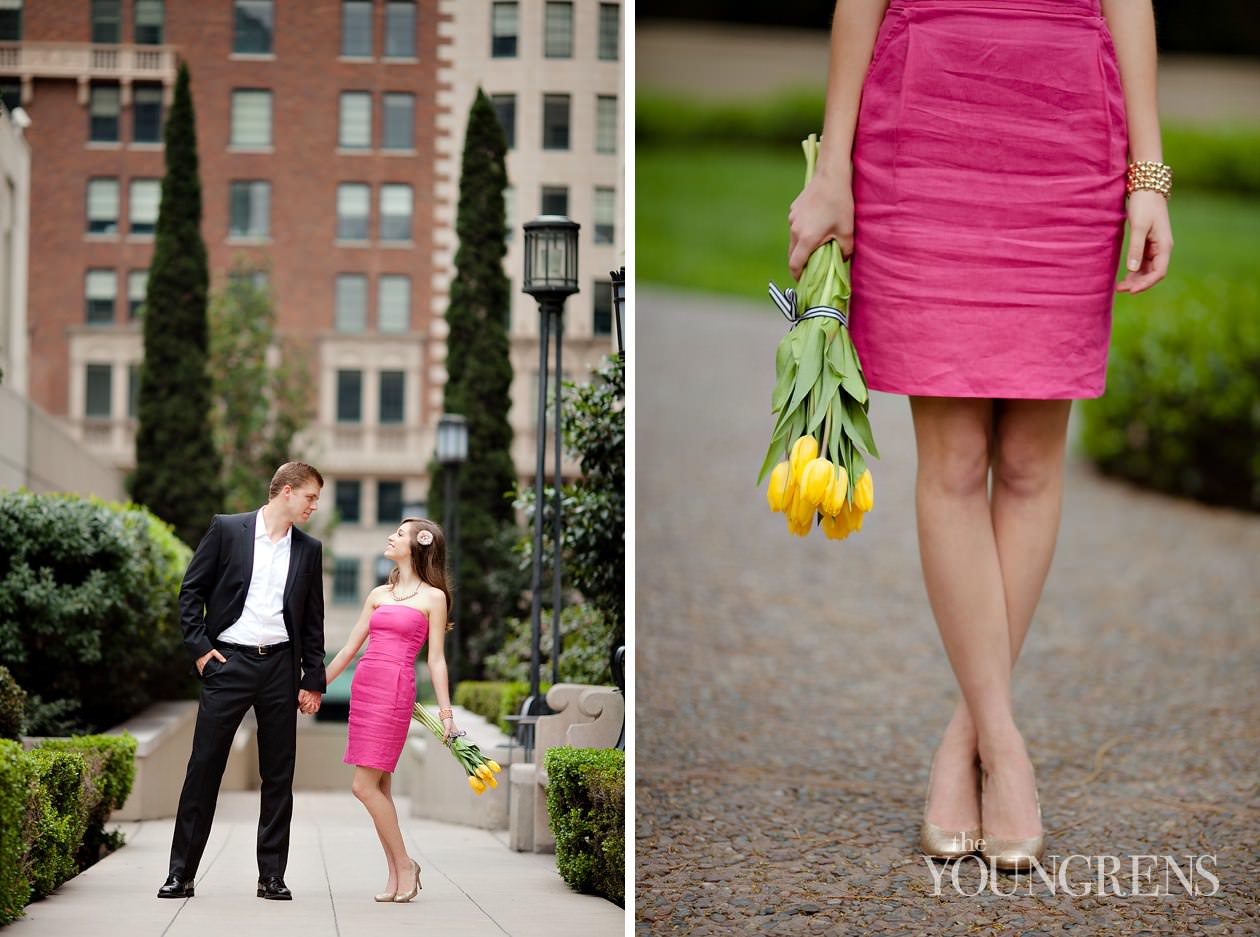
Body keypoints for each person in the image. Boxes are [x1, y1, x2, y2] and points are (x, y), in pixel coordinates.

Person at [787, 0, 1172, 870]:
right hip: (922, 125)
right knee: (954, 460)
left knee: (1033, 464)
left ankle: (967, 736)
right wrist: (833, 166)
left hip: (1068, 130)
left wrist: (1147, 178)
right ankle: (1006, 749)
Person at [158, 462, 327, 900]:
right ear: (286, 492)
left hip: (281, 669)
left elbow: (313, 620)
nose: (314, 505)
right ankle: (181, 873)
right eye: (310, 496)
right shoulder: (227, 530)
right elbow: (191, 591)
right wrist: (199, 651)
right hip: (227, 663)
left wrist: (313, 678)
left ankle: (271, 876)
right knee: (204, 768)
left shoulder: (309, 549)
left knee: (278, 775)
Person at [324, 516, 460, 903]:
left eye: (398, 534)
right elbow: (349, 648)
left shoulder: (434, 597)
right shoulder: (378, 594)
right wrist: (314, 687)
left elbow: (436, 660)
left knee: (362, 786)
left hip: (396, 690)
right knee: (380, 786)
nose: (390, 537)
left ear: (420, 544)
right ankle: (394, 877)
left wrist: (446, 716)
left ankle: (405, 865)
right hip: (365, 687)